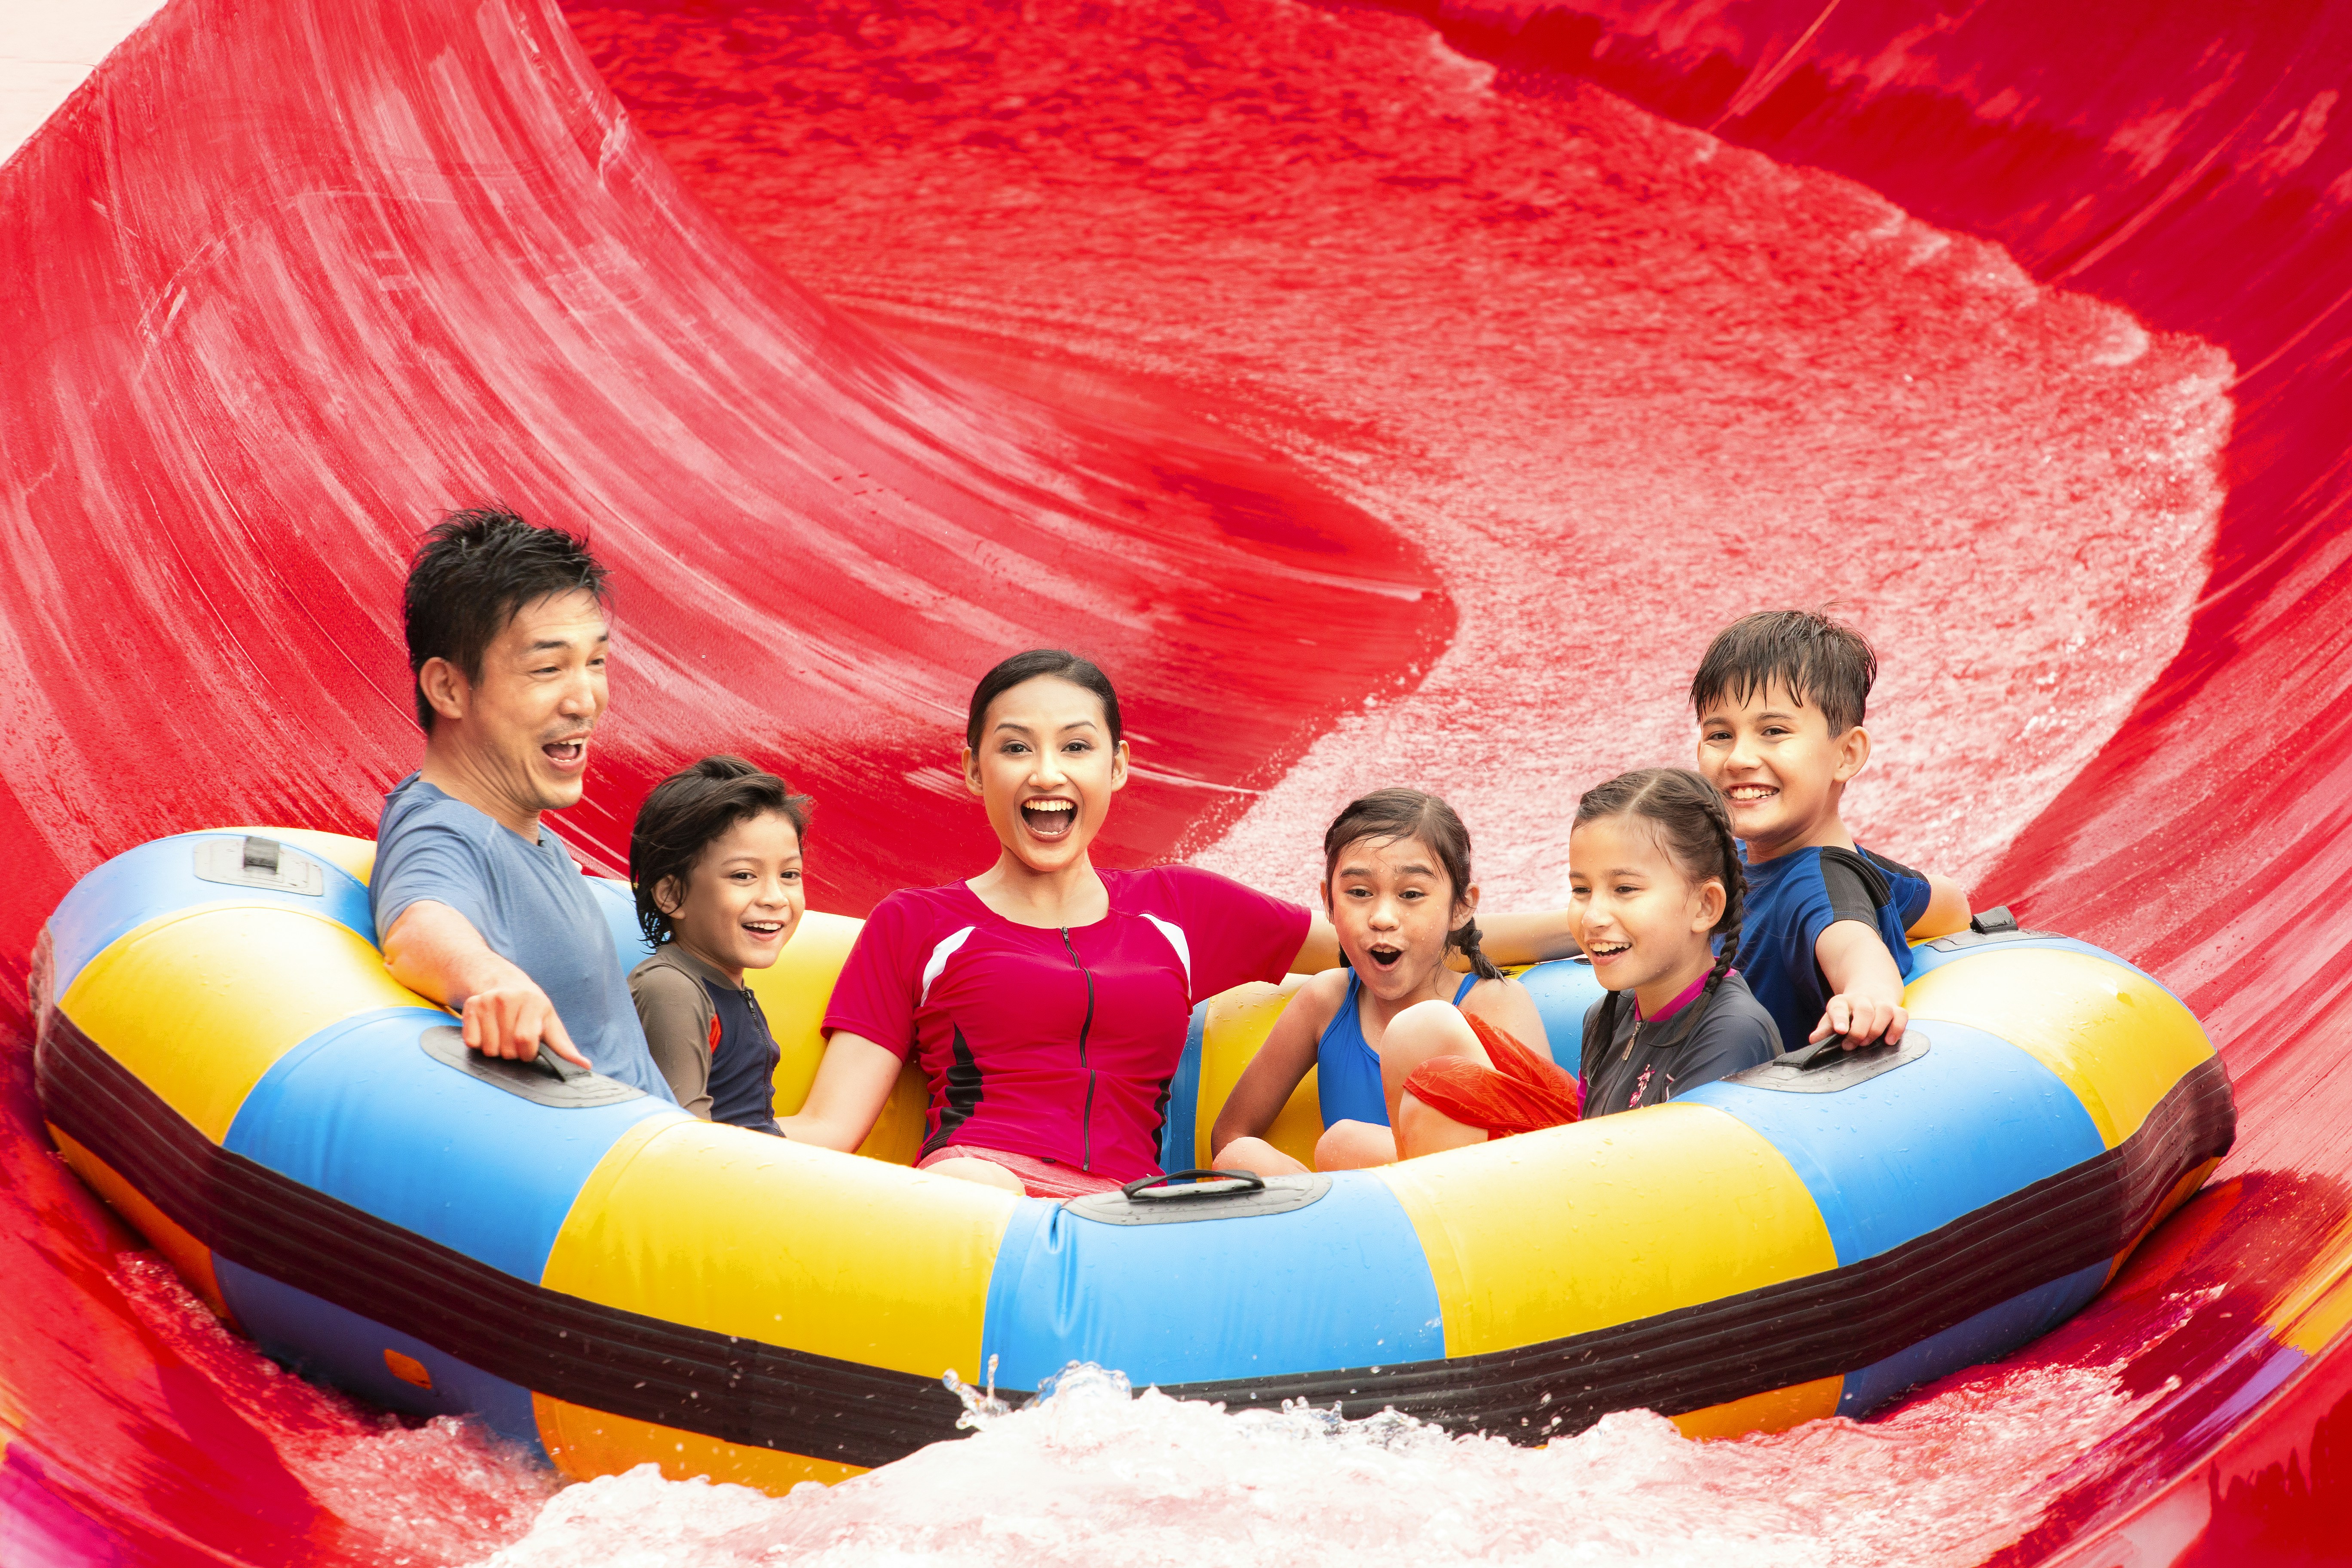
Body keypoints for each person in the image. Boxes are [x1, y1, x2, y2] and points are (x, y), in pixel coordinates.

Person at [779, 649, 1582, 1198]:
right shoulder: (917, 924)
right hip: (980, 1183)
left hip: (1129, 1208)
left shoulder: (1180, 909)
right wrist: (701, 1133)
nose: (1047, 773)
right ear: (972, 768)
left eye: (1076, 747)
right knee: (970, 1189)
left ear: (1118, 765)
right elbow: (829, 1126)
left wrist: (1587, 926)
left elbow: (1381, 932)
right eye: (1016, 748)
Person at [372, 508, 674, 1100]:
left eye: (596, 662)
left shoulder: (520, 834)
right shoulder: (445, 831)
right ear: (449, 688)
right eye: (548, 668)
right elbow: (419, 924)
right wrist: (491, 979)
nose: (586, 701)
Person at [1209, 788, 1565, 1175]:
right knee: (1240, 1155)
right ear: (1329, 902)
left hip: (1473, 1194)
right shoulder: (1326, 1002)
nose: (1382, 918)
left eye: (1411, 894)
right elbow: (1230, 1134)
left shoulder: (1494, 1002)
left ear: (1461, 906)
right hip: (1355, 1202)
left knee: (1346, 1144)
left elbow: (1546, 1149)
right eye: (1359, 893)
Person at [1690, 609, 1971, 1054]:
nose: (1739, 758)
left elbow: (1852, 945)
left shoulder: (1818, 886)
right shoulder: (1734, 860)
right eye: (1720, 735)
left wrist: (1867, 994)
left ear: (1847, 754)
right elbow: (1949, 903)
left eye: (1774, 731)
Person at [1571, 768, 1782, 1116]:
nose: (1592, 917)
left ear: (1705, 906)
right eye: (1581, 889)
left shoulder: (1732, 1034)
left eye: (1625, 889)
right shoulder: (1605, 1018)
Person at [627, 756, 810, 1130]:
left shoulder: (722, 985)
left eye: (790, 874)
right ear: (672, 895)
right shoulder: (672, 989)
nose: (775, 898)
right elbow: (682, 1139)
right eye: (744, 876)